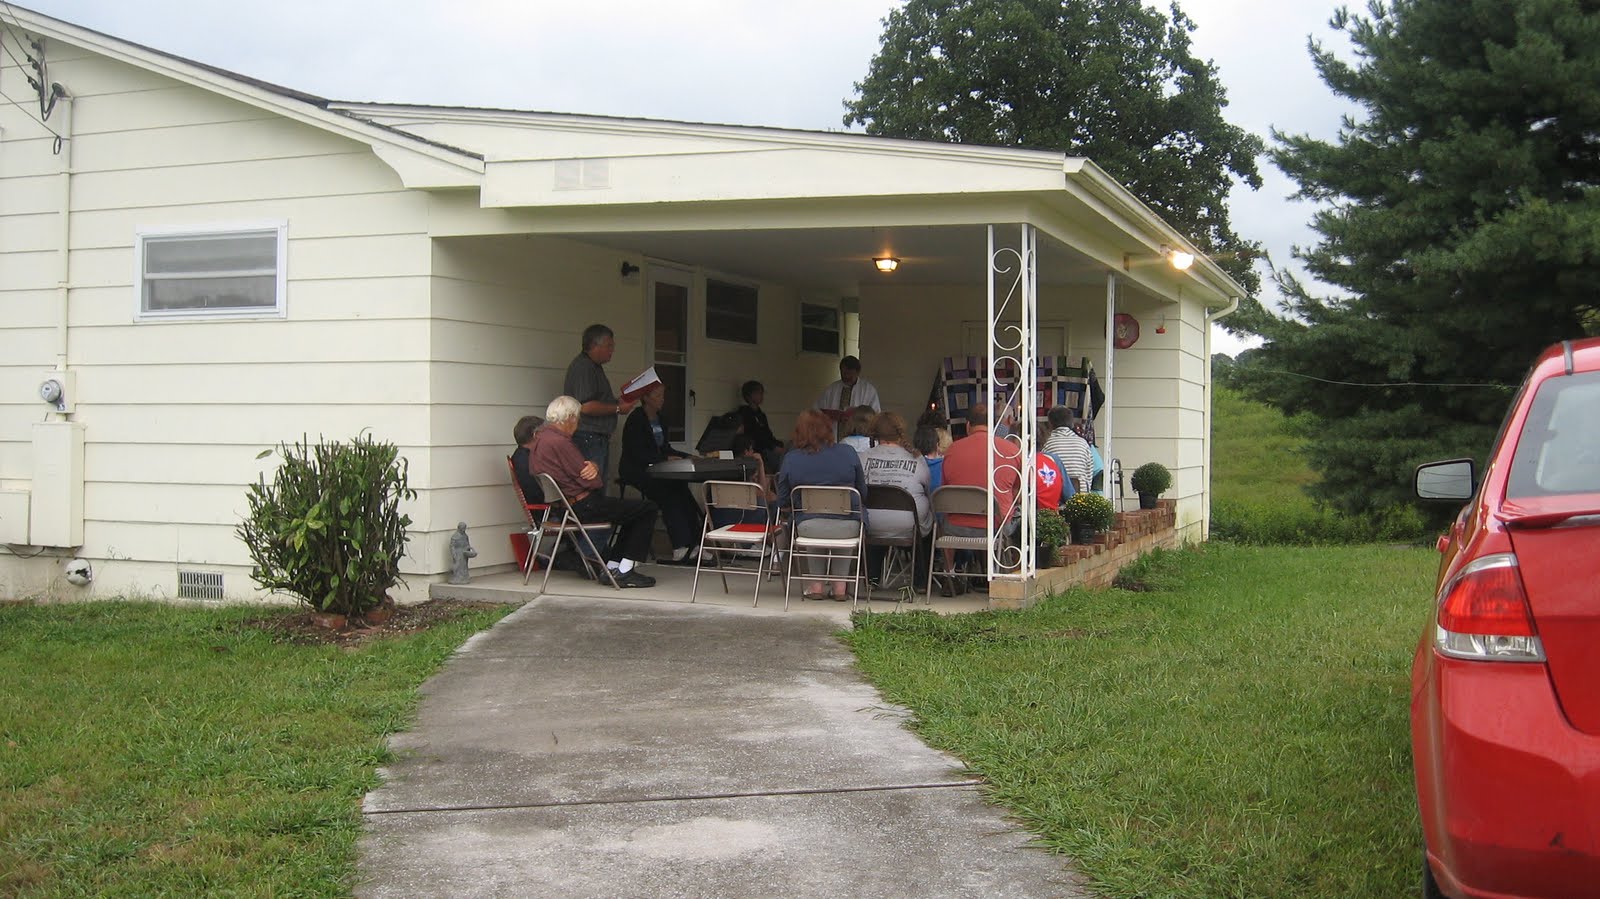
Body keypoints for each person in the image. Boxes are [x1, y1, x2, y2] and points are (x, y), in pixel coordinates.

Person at [525, 396, 659, 588]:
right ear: (569, 418)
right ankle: (625, 569)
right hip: (583, 506)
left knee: (632, 512)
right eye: (577, 418)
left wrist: (592, 466)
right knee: (648, 508)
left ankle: (613, 567)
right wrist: (595, 468)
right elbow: (594, 482)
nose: (577, 424)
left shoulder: (540, 440)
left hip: (563, 508)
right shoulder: (561, 443)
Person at [777, 409, 868, 601]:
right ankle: (840, 588)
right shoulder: (848, 452)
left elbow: (783, 500)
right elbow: (862, 493)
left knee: (811, 520)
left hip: (808, 527)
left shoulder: (792, 458)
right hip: (849, 526)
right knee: (845, 518)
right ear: (828, 428)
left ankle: (816, 586)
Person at [619, 384, 703, 564]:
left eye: (663, 395)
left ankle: (695, 543)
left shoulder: (662, 419)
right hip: (638, 470)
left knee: (682, 489)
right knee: (667, 494)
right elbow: (637, 452)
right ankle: (680, 545)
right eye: (658, 396)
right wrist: (664, 458)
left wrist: (686, 456)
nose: (662, 399)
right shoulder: (636, 419)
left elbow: (666, 447)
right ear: (646, 398)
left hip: (660, 470)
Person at [860, 412, 933, 590]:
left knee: (878, 518)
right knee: (930, 519)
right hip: (909, 524)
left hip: (872, 523)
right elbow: (927, 487)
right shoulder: (916, 458)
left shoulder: (863, 457)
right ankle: (920, 580)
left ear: (874, 432)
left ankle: (872, 578)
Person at [563, 323, 637, 484]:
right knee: (593, 485)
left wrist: (618, 402)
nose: (612, 350)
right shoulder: (584, 367)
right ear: (594, 345)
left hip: (595, 437)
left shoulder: (594, 367)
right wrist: (618, 408)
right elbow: (586, 406)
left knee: (599, 484)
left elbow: (597, 400)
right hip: (588, 436)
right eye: (609, 346)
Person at [941, 402, 1023, 543]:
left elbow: (946, 488)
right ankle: (1007, 564)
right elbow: (1019, 492)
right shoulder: (1012, 450)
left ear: (968, 425)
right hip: (998, 527)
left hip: (956, 527)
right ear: (994, 425)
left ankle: (949, 566)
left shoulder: (951, 450)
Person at [1041, 406, 1094, 493]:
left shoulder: (1047, 443)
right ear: (1071, 423)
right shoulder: (1083, 443)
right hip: (1081, 493)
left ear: (1050, 423)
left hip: (1057, 493)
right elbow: (1089, 472)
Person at [815, 355, 881, 422]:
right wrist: (832, 415)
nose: (846, 376)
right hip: (835, 430)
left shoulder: (868, 390)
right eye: (844, 373)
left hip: (859, 430)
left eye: (850, 374)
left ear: (858, 372)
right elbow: (817, 410)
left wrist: (858, 415)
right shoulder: (831, 389)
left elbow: (876, 415)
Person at [733, 380, 783, 468]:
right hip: (758, 449)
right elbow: (755, 436)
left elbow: (768, 434)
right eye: (759, 393)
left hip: (768, 447)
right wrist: (772, 447)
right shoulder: (744, 414)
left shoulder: (761, 415)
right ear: (750, 396)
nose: (762, 396)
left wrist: (776, 444)